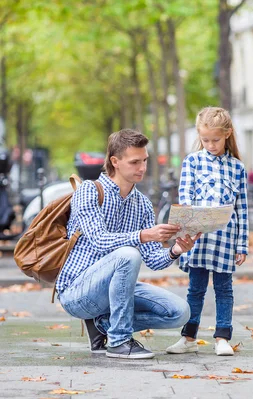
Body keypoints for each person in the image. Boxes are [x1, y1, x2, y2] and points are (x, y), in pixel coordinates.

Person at [56, 129, 199, 359]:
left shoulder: (141, 203)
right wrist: (144, 235)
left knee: (179, 312)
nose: (142, 168)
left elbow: (153, 260)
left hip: (117, 289)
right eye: (134, 162)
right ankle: (119, 341)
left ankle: (103, 325)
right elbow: (99, 240)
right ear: (115, 161)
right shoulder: (88, 191)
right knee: (128, 254)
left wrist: (176, 249)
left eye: (144, 161)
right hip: (78, 292)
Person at [166, 107, 249, 356]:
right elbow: (185, 196)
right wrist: (185, 229)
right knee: (196, 289)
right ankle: (188, 337)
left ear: (227, 134)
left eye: (215, 139)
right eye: (205, 140)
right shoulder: (192, 161)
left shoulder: (238, 168)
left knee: (224, 289)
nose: (210, 144)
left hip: (226, 238)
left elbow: (242, 209)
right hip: (198, 239)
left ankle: (222, 337)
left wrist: (242, 245)